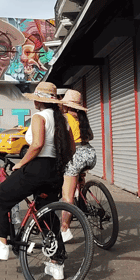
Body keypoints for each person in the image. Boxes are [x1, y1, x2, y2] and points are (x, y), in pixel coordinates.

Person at [0, 81, 74, 279]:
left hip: (36, 169)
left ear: (39, 101)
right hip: (55, 171)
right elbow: (72, 149)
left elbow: (37, 144)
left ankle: (1, 244)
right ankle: (56, 266)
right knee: (46, 214)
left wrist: (21, 163)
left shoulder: (39, 117)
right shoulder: (63, 120)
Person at [59, 89, 96, 241]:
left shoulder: (65, 118)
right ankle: (83, 202)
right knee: (78, 180)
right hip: (90, 154)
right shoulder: (82, 117)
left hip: (77, 154)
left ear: (66, 105)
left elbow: (63, 142)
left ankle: (64, 230)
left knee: (67, 197)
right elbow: (91, 136)